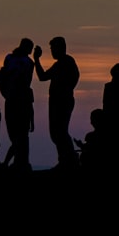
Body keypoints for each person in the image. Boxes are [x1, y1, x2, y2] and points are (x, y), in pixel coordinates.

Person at [33, 36, 80, 169]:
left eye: (53, 49)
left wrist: (64, 91)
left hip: (62, 101)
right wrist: (36, 60)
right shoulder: (61, 63)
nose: (52, 52)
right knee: (56, 132)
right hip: (57, 101)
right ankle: (66, 159)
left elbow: (73, 79)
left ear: (61, 48)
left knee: (60, 132)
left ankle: (69, 160)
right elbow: (43, 77)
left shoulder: (66, 62)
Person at [0, 37, 35, 172]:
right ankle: (14, 163)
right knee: (20, 136)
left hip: (15, 99)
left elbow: (3, 76)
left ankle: (14, 163)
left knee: (18, 136)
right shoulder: (26, 62)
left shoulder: (11, 59)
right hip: (18, 99)